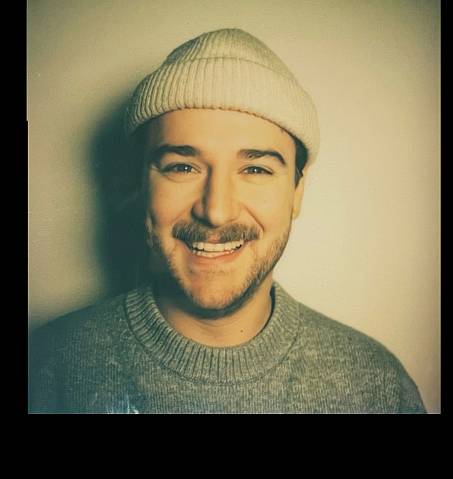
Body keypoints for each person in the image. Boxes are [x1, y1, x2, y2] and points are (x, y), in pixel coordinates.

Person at [28, 28, 426, 414]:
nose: (216, 211)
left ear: (297, 193)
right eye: (182, 167)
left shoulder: (376, 385)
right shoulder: (48, 366)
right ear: (140, 185)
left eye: (255, 170)